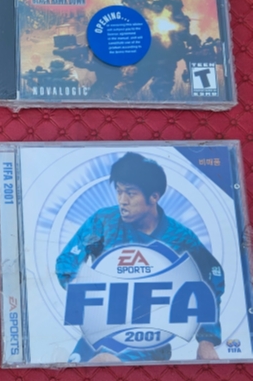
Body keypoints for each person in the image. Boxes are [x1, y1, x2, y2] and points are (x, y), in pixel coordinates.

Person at [55, 152, 224, 364]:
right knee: (76, 375)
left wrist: (206, 340)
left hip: (149, 340)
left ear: (154, 196)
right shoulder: (104, 221)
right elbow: (67, 262)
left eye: (130, 194)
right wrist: (93, 292)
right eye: (118, 192)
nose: (122, 201)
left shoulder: (181, 238)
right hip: (99, 333)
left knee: (107, 364)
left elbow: (212, 278)